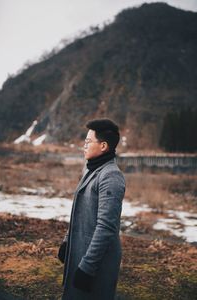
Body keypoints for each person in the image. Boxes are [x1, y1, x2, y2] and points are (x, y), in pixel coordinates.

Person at [59, 118, 125, 300]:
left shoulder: (111, 176)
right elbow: (80, 211)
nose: (84, 146)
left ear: (103, 146)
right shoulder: (90, 170)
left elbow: (106, 227)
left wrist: (88, 266)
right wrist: (67, 240)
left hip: (97, 260)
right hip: (80, 249)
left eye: (88, 142)